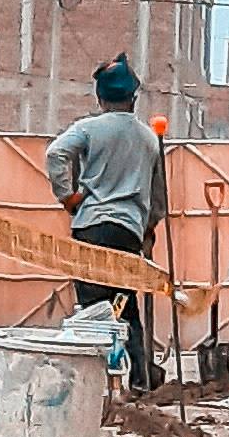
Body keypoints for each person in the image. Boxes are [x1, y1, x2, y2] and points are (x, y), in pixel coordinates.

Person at [45, 50, 163, 384]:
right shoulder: (149, 139)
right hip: (128, 232)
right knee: (126, 305)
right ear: (134, 99)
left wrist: (67, 196)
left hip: (91, 229)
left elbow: (55, 153)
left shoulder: (88, 129)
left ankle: (93, 380)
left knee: (91, 306)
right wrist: (149, 228)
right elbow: (157, 196)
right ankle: (140, 377)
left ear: (100, 98)